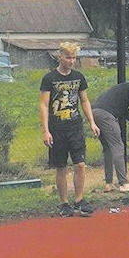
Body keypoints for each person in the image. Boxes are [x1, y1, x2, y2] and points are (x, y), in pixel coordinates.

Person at [40, 42, 100, 217]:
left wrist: (92, 122)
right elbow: (44, 105)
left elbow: (84, 101)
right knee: (61, 166)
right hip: (57, 127)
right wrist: (46, 130)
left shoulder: (79, 77)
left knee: (80, 164)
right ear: (60, 57)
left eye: (74, 58)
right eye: (68, 57)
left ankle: (79, 200)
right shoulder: (49, 78)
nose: (71, 61)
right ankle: (64, 202)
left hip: (75, 126)